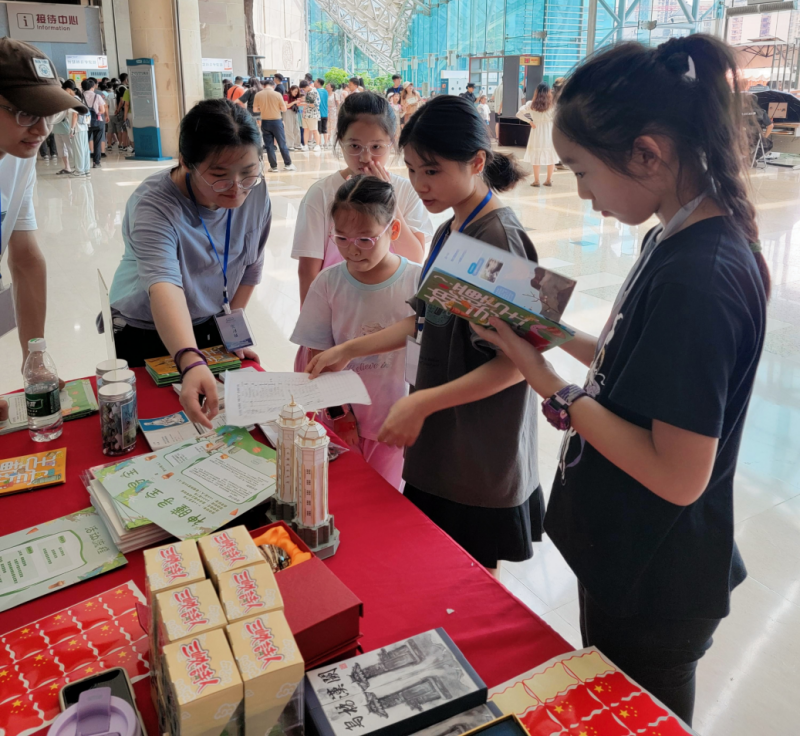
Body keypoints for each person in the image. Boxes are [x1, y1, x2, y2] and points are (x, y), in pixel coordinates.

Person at [471, 36, 768, 725]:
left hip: (656, 577)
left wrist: (547, 380)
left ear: (647, 154)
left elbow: (678, 475)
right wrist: (541, 334)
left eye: (582, 170)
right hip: (633, 553)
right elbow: (627, 359)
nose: (580, 191)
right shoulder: (674, 237)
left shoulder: (699, 279)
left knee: (635, 720)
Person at [307, 94, 543, 577]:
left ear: (476, 162)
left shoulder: (498, 238)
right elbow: (424, 319)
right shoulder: (451, 228)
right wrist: (347, 349)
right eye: (413, 170)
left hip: (477, 451)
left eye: (432, 171)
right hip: (443, 443)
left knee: (471, 580)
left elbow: (521, 364)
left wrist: (422, 404)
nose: (419, 184)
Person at [107, 99, 269, 426]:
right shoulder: (153, 205)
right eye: (219, 176)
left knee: (216, 426)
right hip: (145, 328)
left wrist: (231, 334)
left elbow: (250, 266)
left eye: (248, 173)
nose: (237, 189)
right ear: (186, 162)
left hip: (208, 320)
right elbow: (164, 287)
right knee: (158, 427)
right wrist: (190, 360)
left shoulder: (256, 192)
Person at [291, 176, 420, 489]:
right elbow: (319, 357)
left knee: (382, 496)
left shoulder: (417, 281)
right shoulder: (328, 282)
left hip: (393, 422)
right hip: (340, 419)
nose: (352, 250)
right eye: (341, 238)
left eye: (365, 239)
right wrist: (340, 415)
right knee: (336, 493)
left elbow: (423, 357)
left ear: (393, 231)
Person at [0, 38, 86, 422]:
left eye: (48, 115)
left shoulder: (18, 159)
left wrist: (33, 357)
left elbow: (26, 259)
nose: (40, 130)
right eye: (24, 113)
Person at [291, 90, 431, 305]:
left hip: (393, 308)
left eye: (376, 147)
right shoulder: (321, 194)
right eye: (355, 146)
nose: (365, 157)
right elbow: (308, 271)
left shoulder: (405, 190)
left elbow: (414, 257)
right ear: (340, 141)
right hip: (338, 307)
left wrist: (388, 198)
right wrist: (311, 321)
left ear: (391, 143)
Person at [516, 82, 557, 187]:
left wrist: (530, 121)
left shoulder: (531, 104)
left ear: (537, 92)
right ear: (548, 92)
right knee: (551, 155)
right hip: (549, 131)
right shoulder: (553, 104)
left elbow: (519, 114)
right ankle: (548, 180)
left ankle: (536, 181)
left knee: (536, 156)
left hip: (537, 130)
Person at [253, 81, 296, 173]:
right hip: (277, 122)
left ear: (263, 86)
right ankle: (288, 164)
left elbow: (255, 109)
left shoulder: (258, 95)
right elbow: (284, 109)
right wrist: (276, 108)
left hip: (265, 122)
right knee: (282, 143)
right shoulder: (277, 94)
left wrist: (263, 108)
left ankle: (273, 167)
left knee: (269, 145)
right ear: (273, 86)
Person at [64, 81, 91, 178]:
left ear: (68, 89)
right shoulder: (79, 98)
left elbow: (75, 115)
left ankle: (79, 171)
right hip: (83, 128)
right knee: (84, 149)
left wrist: (72, 129)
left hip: (77, 129)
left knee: (78, 150)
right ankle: (86, 170)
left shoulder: (73, 100)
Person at [81, 78, 106, 169]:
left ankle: (83, 162)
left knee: (84, 142)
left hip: (84, 123)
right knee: (97, 142)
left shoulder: (80, 96)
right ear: (92, 87)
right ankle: (96, 162)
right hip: (97, 122)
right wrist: (96, 114)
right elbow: (102, 110)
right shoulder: (97, 96)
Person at [299, 80, 321, 151]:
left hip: (313, 114)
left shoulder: (314, 92)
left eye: (303, 89)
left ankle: (317, 145)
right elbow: (308, 102)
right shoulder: (307, 92)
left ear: (307, 86)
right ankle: (306, 145)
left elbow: (316, 104)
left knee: (314, 130)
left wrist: (304, 104)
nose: (303, 90)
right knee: (306, 129)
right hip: (306, 114)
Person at [284, 85, 302, 150]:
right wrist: (294, 102)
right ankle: (290, 145)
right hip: (287, 112)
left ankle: (297, 144)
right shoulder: (286, 96)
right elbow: (286, 106)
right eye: (295, 91)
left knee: (296, 128)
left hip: (294, 112)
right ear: (291, 90)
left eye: (297, 92)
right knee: (289, 129)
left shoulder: (295, 97)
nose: (296, 93)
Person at [315, 78, 329, 148]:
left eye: (315, 81)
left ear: (318, 83)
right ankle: (326, 143)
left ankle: (320, 143)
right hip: (325, 113)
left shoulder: (316, 91)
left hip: (318, 113)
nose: (314, 83)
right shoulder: (326, 91)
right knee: (325, 129)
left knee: (319, 130)